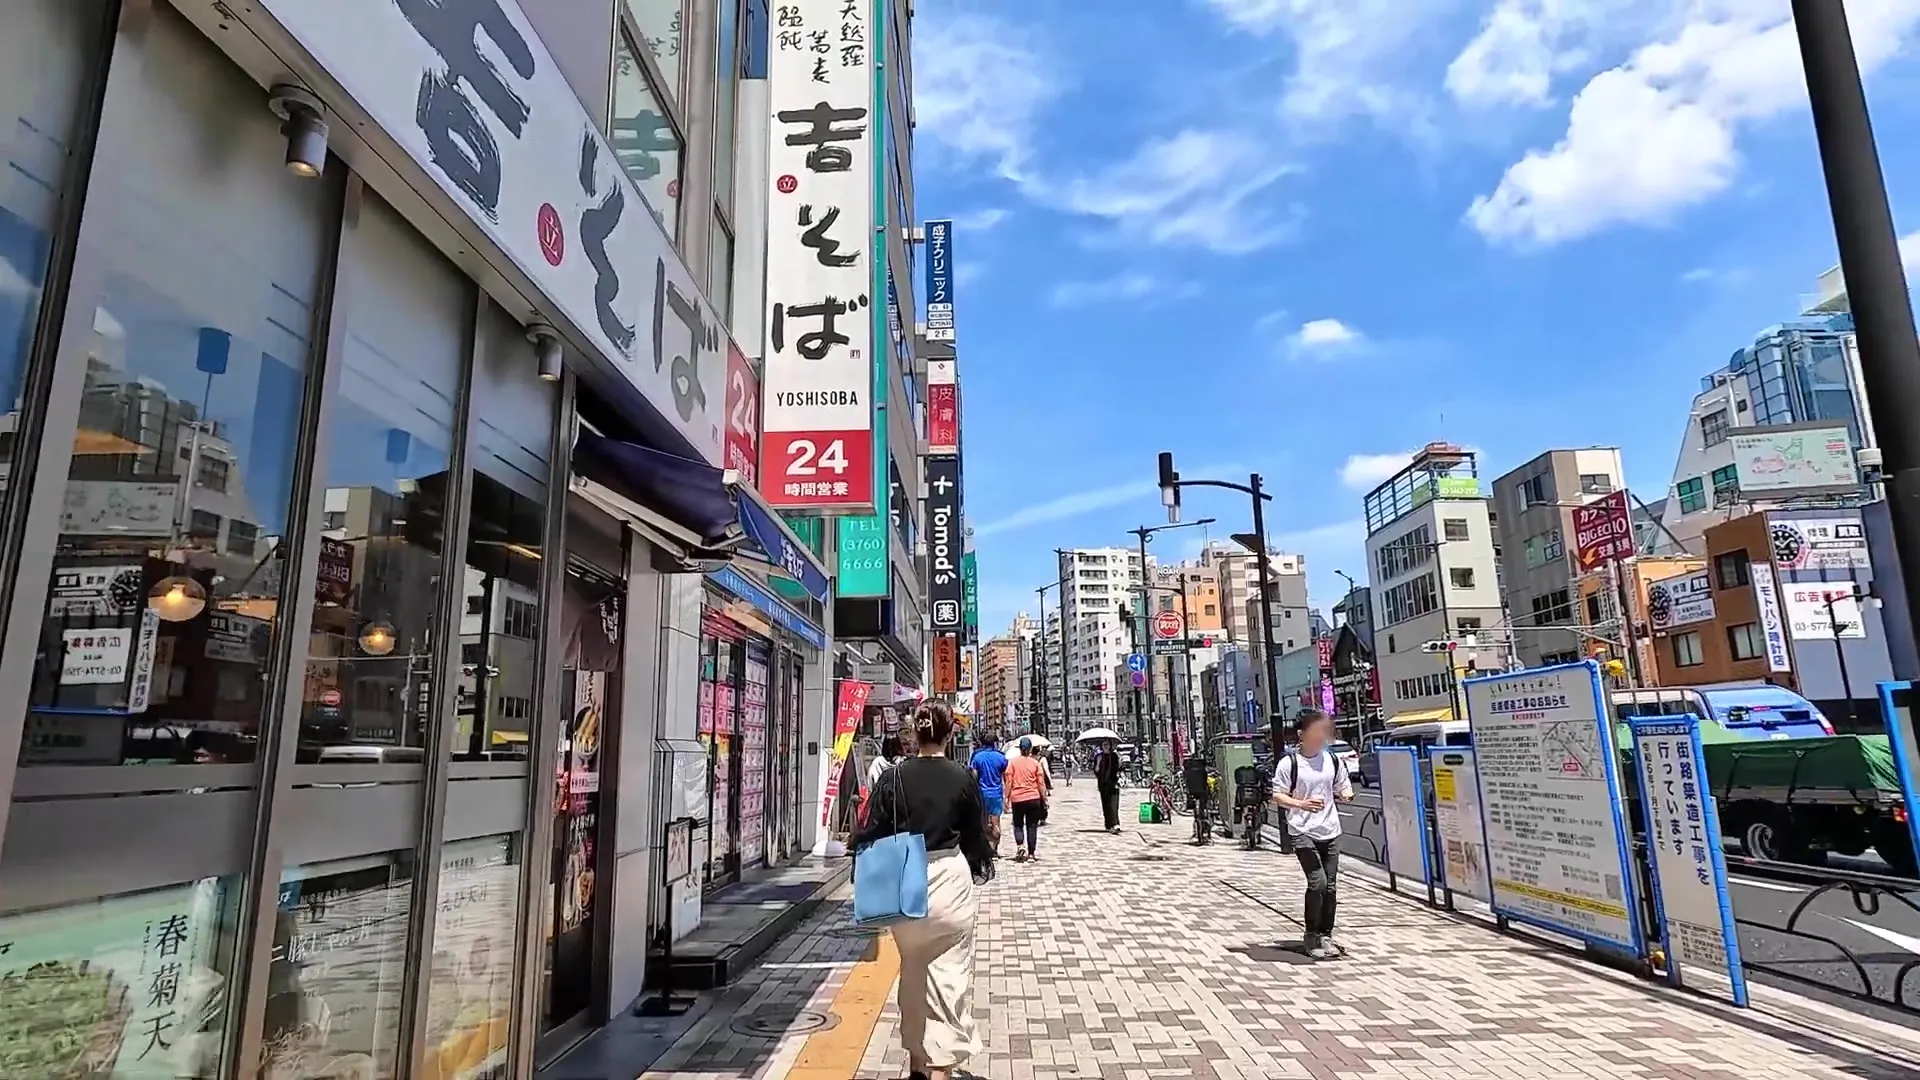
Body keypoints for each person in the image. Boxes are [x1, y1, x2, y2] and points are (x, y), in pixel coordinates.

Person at [851, 701, 992, 1080]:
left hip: (905, 879)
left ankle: (916, 1062)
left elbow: (872, 830)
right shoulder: (962, 777)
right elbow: (977, 839)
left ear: (915, 734)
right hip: (949, 876)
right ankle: (941, 1068)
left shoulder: (894, 777)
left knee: (913, 970)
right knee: (948, 975)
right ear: (950, 734)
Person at [1269, 709, 1354, 959]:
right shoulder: (1290, 763)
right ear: (1301, 735)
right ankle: (1311, 936)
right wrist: (1301, 804)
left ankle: (1326, 935)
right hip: (1301, 829)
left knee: (1331, 886)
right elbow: (1277, 795)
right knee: (1318, 882)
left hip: (1330, 829)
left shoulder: (1332, 761)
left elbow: (1342, 785)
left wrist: (1346, 795)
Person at [1004, 736, 1051, 861]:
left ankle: (1020, 846)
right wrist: (1044, 799)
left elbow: (1009, 782)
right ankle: (1031, 854)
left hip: (1017, 798)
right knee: (1032, 826)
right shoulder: (1035, 763)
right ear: (1030, 749)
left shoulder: (1012, 763)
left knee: (1018, 824)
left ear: (1020, 749)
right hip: (1033, 798)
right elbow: (1041, 783)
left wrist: (1006, 798)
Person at [968, 732, 1009, 853]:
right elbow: (1006, 776)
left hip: (982, 794)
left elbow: (973, 776)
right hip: (996, 793)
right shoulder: (1001, 757)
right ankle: (995, 848)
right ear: (995, 742)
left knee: (983, 823)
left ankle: (987, 848)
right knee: (996, 821)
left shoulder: (977, 757)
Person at [1093, 739, 1122, 833]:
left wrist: (1120, 761)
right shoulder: (1099, 756)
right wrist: (1098, 762)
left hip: (1113, 783)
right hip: (1103, 784)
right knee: (1106, 805)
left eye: (1107, 744)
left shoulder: (1114, 756)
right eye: (1104, 744)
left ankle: (1115, 824)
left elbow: (1118, 768)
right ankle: (1108, 824)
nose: (1106, 746)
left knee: (1114, 805)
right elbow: (1096, 771)